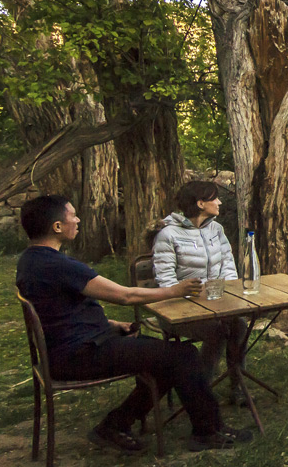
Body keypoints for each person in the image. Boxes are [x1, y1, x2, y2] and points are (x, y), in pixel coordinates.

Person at [15, 194, 251, 452]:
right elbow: (125, 295)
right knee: (182, 355)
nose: (78, 219)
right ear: (57, 227)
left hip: (69, 349)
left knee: (165, 360)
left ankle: (115, 424)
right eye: (72, 215)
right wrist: (175, 291)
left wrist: (111, 325)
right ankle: (208, 431)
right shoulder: (58, 265)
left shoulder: (31, 260)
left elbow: (61, 311)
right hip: (78, 356)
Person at [150, 181, 247, 389]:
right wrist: (195, 300)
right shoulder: (168, 234)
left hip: (216, 304)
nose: (220, 202)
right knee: (217, 331)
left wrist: (227, 292)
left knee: (239, 325)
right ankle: (200, 389)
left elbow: (228, 264)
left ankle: (238, 387)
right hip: (178, 310)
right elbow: (166, 281)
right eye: (215, 198)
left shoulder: (216, 229)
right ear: (201, 203)